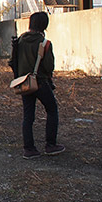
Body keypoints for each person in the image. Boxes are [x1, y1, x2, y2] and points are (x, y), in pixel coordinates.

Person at [16, 11, 65, 159]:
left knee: (28, 116)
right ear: (44, 25)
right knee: (51, 110)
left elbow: (14, 62)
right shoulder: (45, 44)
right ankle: (51, 145)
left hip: (24, 83)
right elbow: (49, 67)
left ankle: (29, 149)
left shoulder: (19, 41)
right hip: (41, 82)